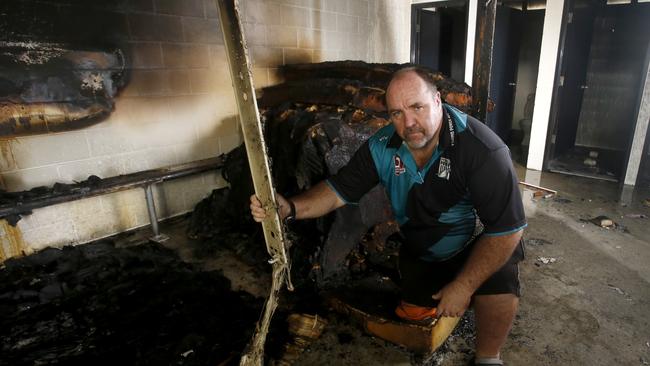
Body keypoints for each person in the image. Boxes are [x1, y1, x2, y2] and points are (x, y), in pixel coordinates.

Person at [250, 66, 526, 366]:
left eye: (416, 107)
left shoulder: (481, 148)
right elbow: (338, 191)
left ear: (437, 101)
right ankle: (441, 295)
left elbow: (508, 229)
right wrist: (289, 208)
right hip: (422, 248)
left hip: (471, 244)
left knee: (501, 273)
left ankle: (488, 356)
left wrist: (465, 285)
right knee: (413, 316)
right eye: (396, 113)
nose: (408, 123)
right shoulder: (382, 146)